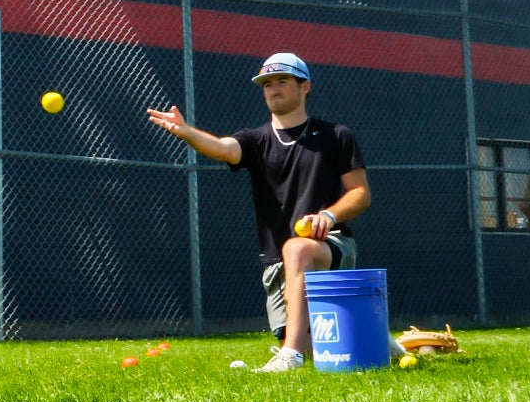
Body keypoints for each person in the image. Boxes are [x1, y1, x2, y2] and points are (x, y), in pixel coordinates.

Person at [147, 52, 382, 372]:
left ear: (305, 87)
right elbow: (223, 149)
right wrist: (187, 132)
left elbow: (360, 193)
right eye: (267, 83)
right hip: (276, 263)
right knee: (323, 349)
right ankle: (379, 343)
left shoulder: (336, 135)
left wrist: (327, 217)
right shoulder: (255, 140)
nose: (273, 89)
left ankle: (290, 356)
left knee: (296, 247)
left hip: (330, 245)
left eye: (282, 81)